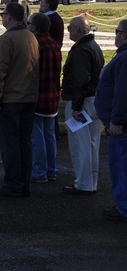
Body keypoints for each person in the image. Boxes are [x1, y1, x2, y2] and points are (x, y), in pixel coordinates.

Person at [0, 2, 40, 198]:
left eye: (3, 14)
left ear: (9, 17)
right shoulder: (31, 37)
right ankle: (23, 183)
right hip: (29, 97)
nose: (2, 17)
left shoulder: (6, 40)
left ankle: (13, 184)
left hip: (11, 99)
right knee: (24, 143)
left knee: (10, 144)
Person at [61, 15, 105, 195]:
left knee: (81, 146)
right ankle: (91, 182)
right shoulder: (93, 46)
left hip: (82, 102)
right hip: (93, 100)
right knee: (92, 144)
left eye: (70, 27)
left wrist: (76, 107)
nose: (68, 30)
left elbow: (80, 80)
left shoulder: (81, 51)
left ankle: (83, 184)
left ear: (78, 30)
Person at [94, 20, 127, 221]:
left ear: (124, 35)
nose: (114, 35)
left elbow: (122, 93)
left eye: (116, 32)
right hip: (119, 121)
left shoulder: (124, 59)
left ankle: (123, 206)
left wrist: (117, 120)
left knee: (120, 166)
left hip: (120, 126)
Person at [28, 13, 61, 184]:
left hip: (39, 95)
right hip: (53, 95)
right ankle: (51, 170)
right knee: (49, 135)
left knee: (37, 136)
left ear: (34, 27)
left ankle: (40, 171)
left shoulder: (35, 44)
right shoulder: (54, 44)